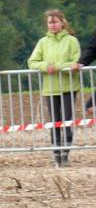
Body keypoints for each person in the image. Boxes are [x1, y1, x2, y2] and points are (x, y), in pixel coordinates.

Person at [27, 9, 80, 166]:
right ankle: (56, 154)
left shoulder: (72, 41)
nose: (53, 25)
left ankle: (66, 153)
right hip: (50, 89)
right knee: (54, 122)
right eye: (50, 22)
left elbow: (76, 61)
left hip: (68, 87)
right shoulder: (43, 42)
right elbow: (32, 62)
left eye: (55, 22)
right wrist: (45, 66)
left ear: (62, 23)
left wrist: (57, 67)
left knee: (67, 120)